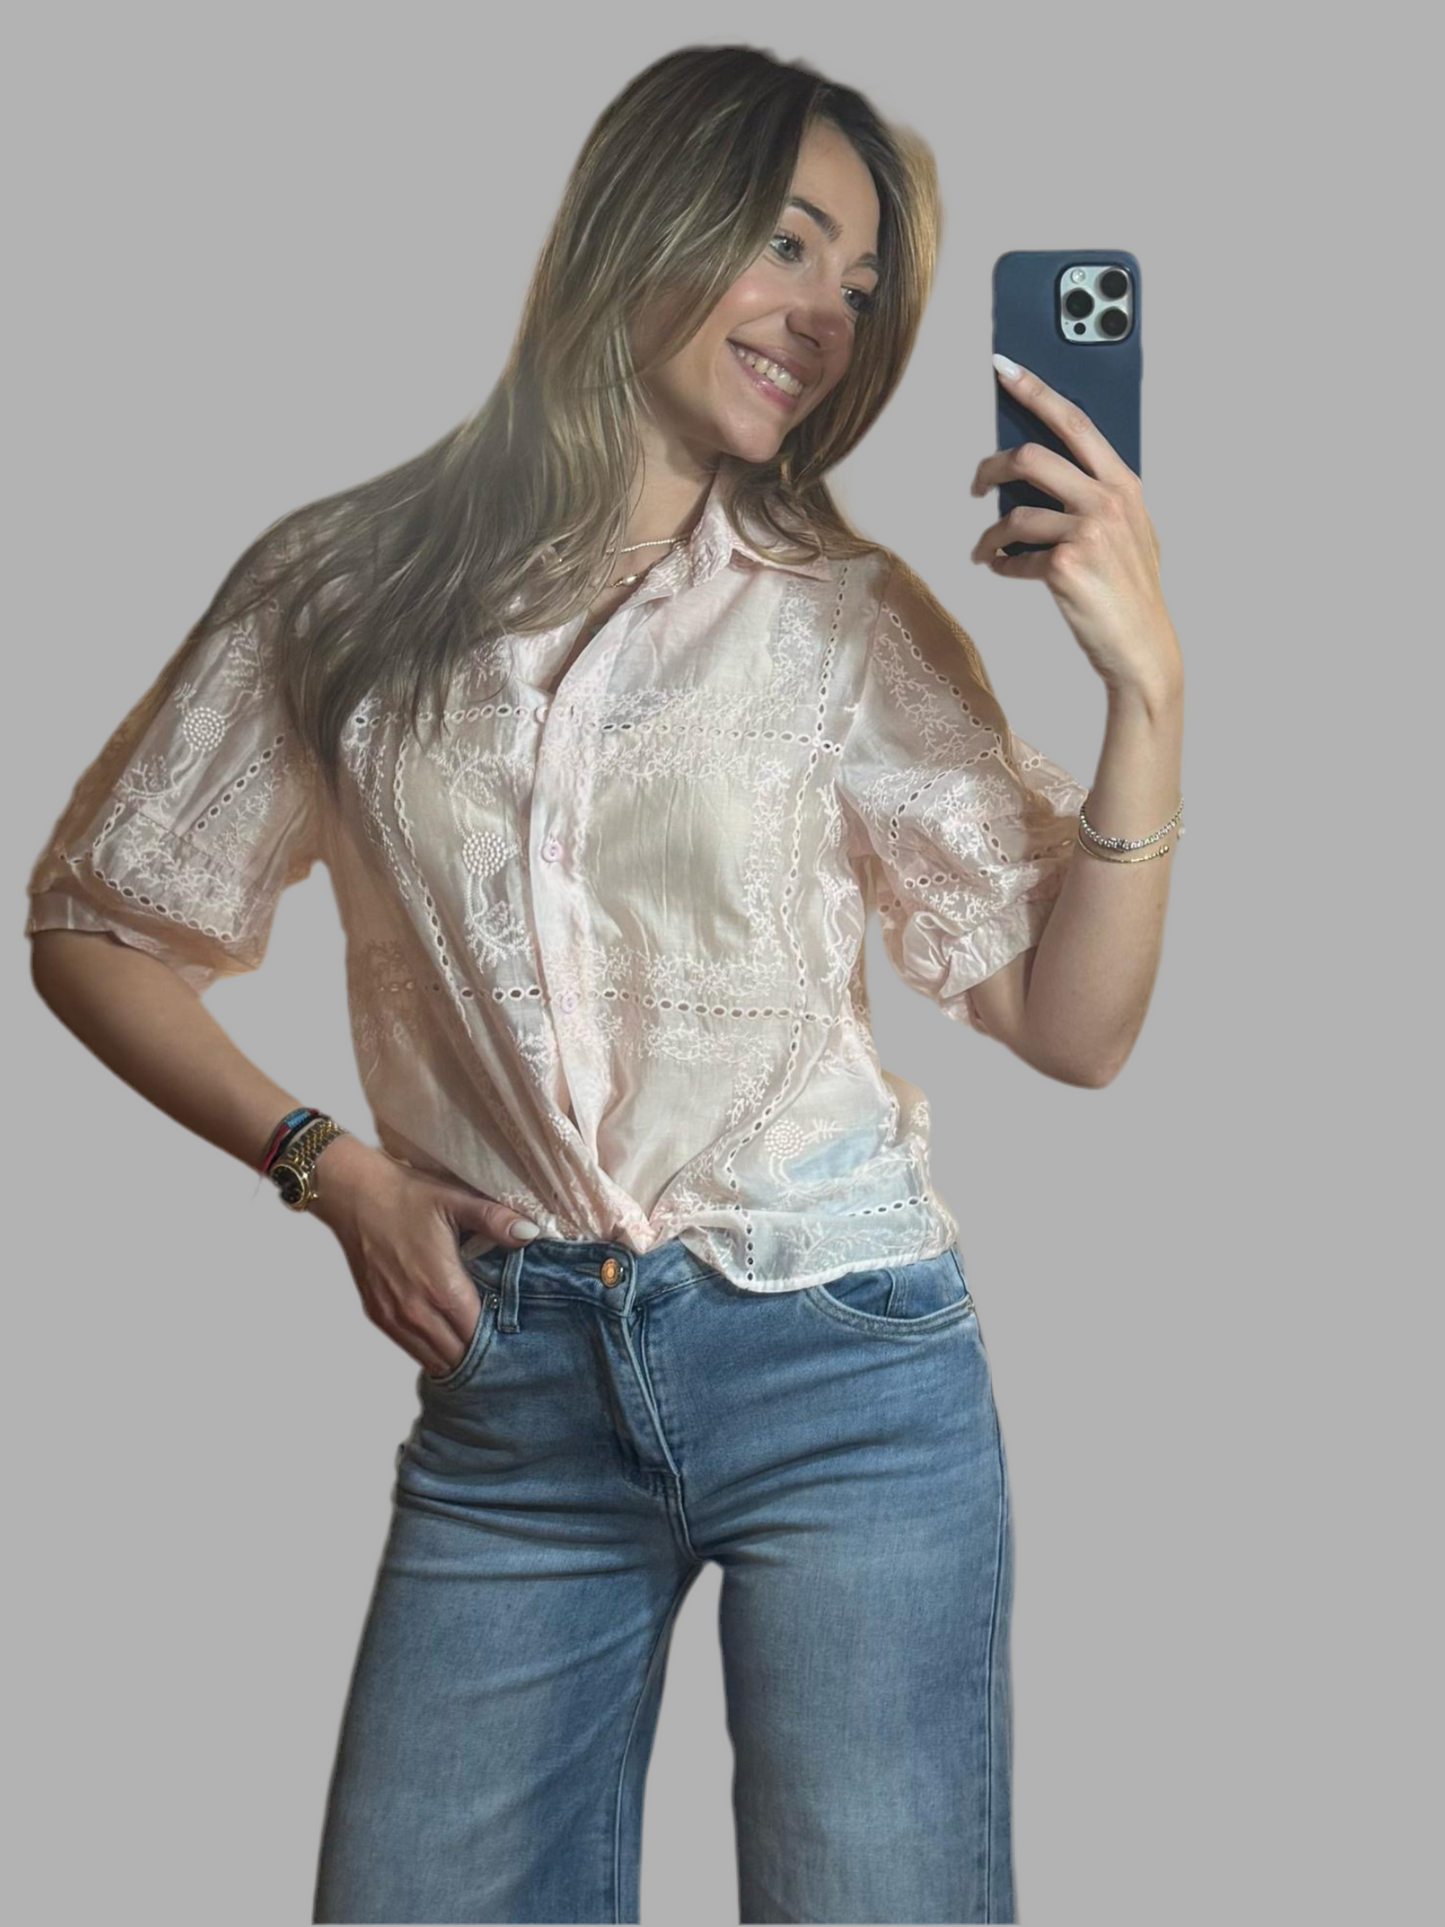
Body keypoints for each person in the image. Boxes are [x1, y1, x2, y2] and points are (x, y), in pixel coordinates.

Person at [24, 44, 1184, 1927]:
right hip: (513, 1391)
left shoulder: (844, 619)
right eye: (786, 243)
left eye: (860, 284)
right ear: (643, 217)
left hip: (844, 1369)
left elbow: (1073, 1025)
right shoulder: (341, 590)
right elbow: (96, 922)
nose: (826, 315)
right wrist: (329, 1166)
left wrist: (1148, 693)